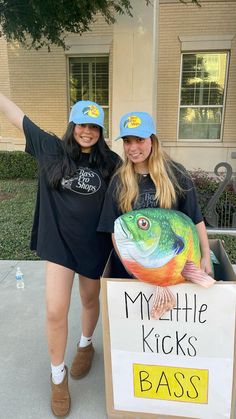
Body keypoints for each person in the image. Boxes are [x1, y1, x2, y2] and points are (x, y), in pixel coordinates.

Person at [0, 93, 121, 417]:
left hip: (95, 246)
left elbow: (131, 196)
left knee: (90, 299)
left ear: (100, 131)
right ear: (73, 124)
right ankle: (57, 376)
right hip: (59, 247)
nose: (87, 131)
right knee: (55, 310)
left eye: (94, 126)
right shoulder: (50, 148)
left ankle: (85, 344)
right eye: (82, 123)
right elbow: (16, 115)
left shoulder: (111, 163)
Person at [98, 111, 212, 277]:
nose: (133, 148)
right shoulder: (119, 180)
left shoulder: (176, 173)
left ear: (152, 140)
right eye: (127, 141)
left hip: (173, 270)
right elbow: (114, 231)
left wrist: (206, 256)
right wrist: (132, 270)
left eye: (140, 140)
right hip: (130, 273)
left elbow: (195, 219)